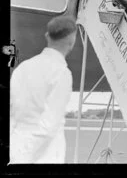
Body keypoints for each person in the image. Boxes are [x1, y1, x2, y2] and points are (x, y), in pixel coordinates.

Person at [10, 15, 77, 164]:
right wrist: (25, 157)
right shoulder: (61, 73)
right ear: (72, 41)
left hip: (15, 146)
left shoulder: (22, 68)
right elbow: (49, 126)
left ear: (47, 35)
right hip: (45, 154)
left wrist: (16, 154)